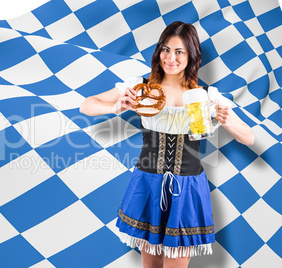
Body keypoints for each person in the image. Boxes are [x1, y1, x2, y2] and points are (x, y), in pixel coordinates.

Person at [79, 21, 254, 268]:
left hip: (187, 186)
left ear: (191, 55)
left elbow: (248, 137)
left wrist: (226, 121)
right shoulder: (142, 87)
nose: (170, 58)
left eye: (179, 51)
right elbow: (86, 105)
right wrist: (115, 107)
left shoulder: (204, 95)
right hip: (147, 183)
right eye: (165, 49)